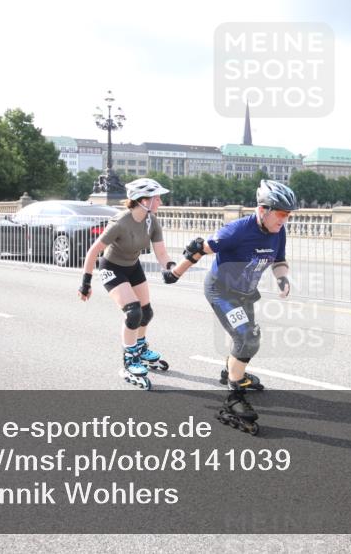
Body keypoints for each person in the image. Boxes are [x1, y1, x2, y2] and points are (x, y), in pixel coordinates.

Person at [163, 179, 297, 434]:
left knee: (247, 337)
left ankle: (232, 372)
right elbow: (197, 249)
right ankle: (233, 397)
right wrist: (175, 274)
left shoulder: (278, 231)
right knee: (247, 338)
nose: (284, 219)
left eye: (287, 214)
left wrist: (282, 278)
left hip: (245, 294)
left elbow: (279, 260)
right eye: (281, 213)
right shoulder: (236, 231)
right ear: (263, 209)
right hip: (221, 291)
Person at [78, 178, 177, 390]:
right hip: (111, 268)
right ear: (142, 200)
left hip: (133, 267)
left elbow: (161, 252)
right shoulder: (120, 222)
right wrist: (85, 283)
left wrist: (170, 267)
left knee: (146, 312)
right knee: (133, 313)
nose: (160, 201)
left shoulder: (152, 221)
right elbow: (93, 251)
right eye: (156, 197)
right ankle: (130, 360)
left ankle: (140, 348)